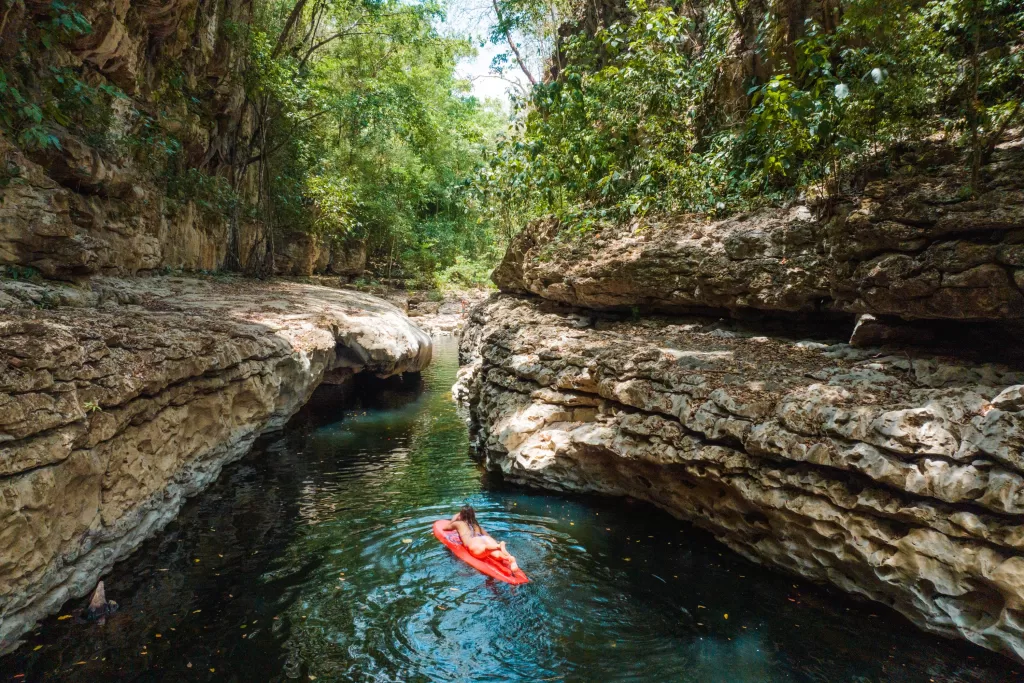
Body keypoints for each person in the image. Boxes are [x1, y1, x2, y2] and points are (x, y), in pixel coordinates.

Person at [443, 505, 519, 572]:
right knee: (496, 554)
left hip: (473, 541)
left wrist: (455, 518)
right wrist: (494, 542)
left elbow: (445, 528)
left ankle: (498, 546)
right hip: (484, 538)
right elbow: (487, 535)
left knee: (484, 549)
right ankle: (508, 557)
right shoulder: (476, 524)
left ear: (461, 515)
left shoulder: (458, 524)